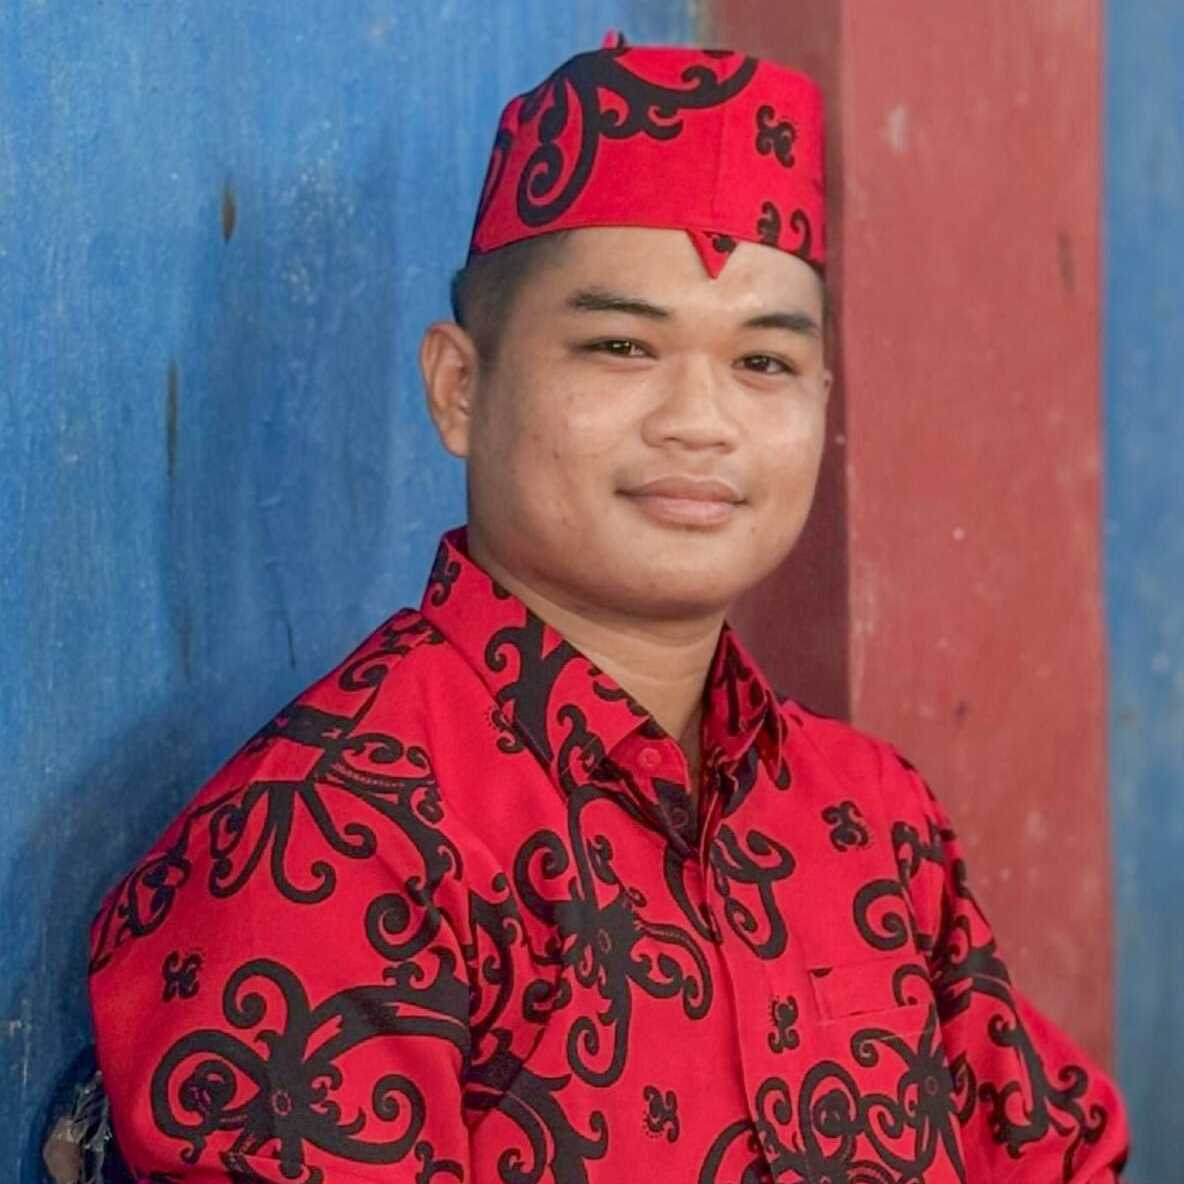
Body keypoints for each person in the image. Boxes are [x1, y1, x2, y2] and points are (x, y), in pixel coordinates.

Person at [86, 30, 1129, 1183]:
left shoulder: (872, 817)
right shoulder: (329, 836)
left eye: (763, 363)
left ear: (822, 400)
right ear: (460, 387)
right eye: (622, 345)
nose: (701, 421)